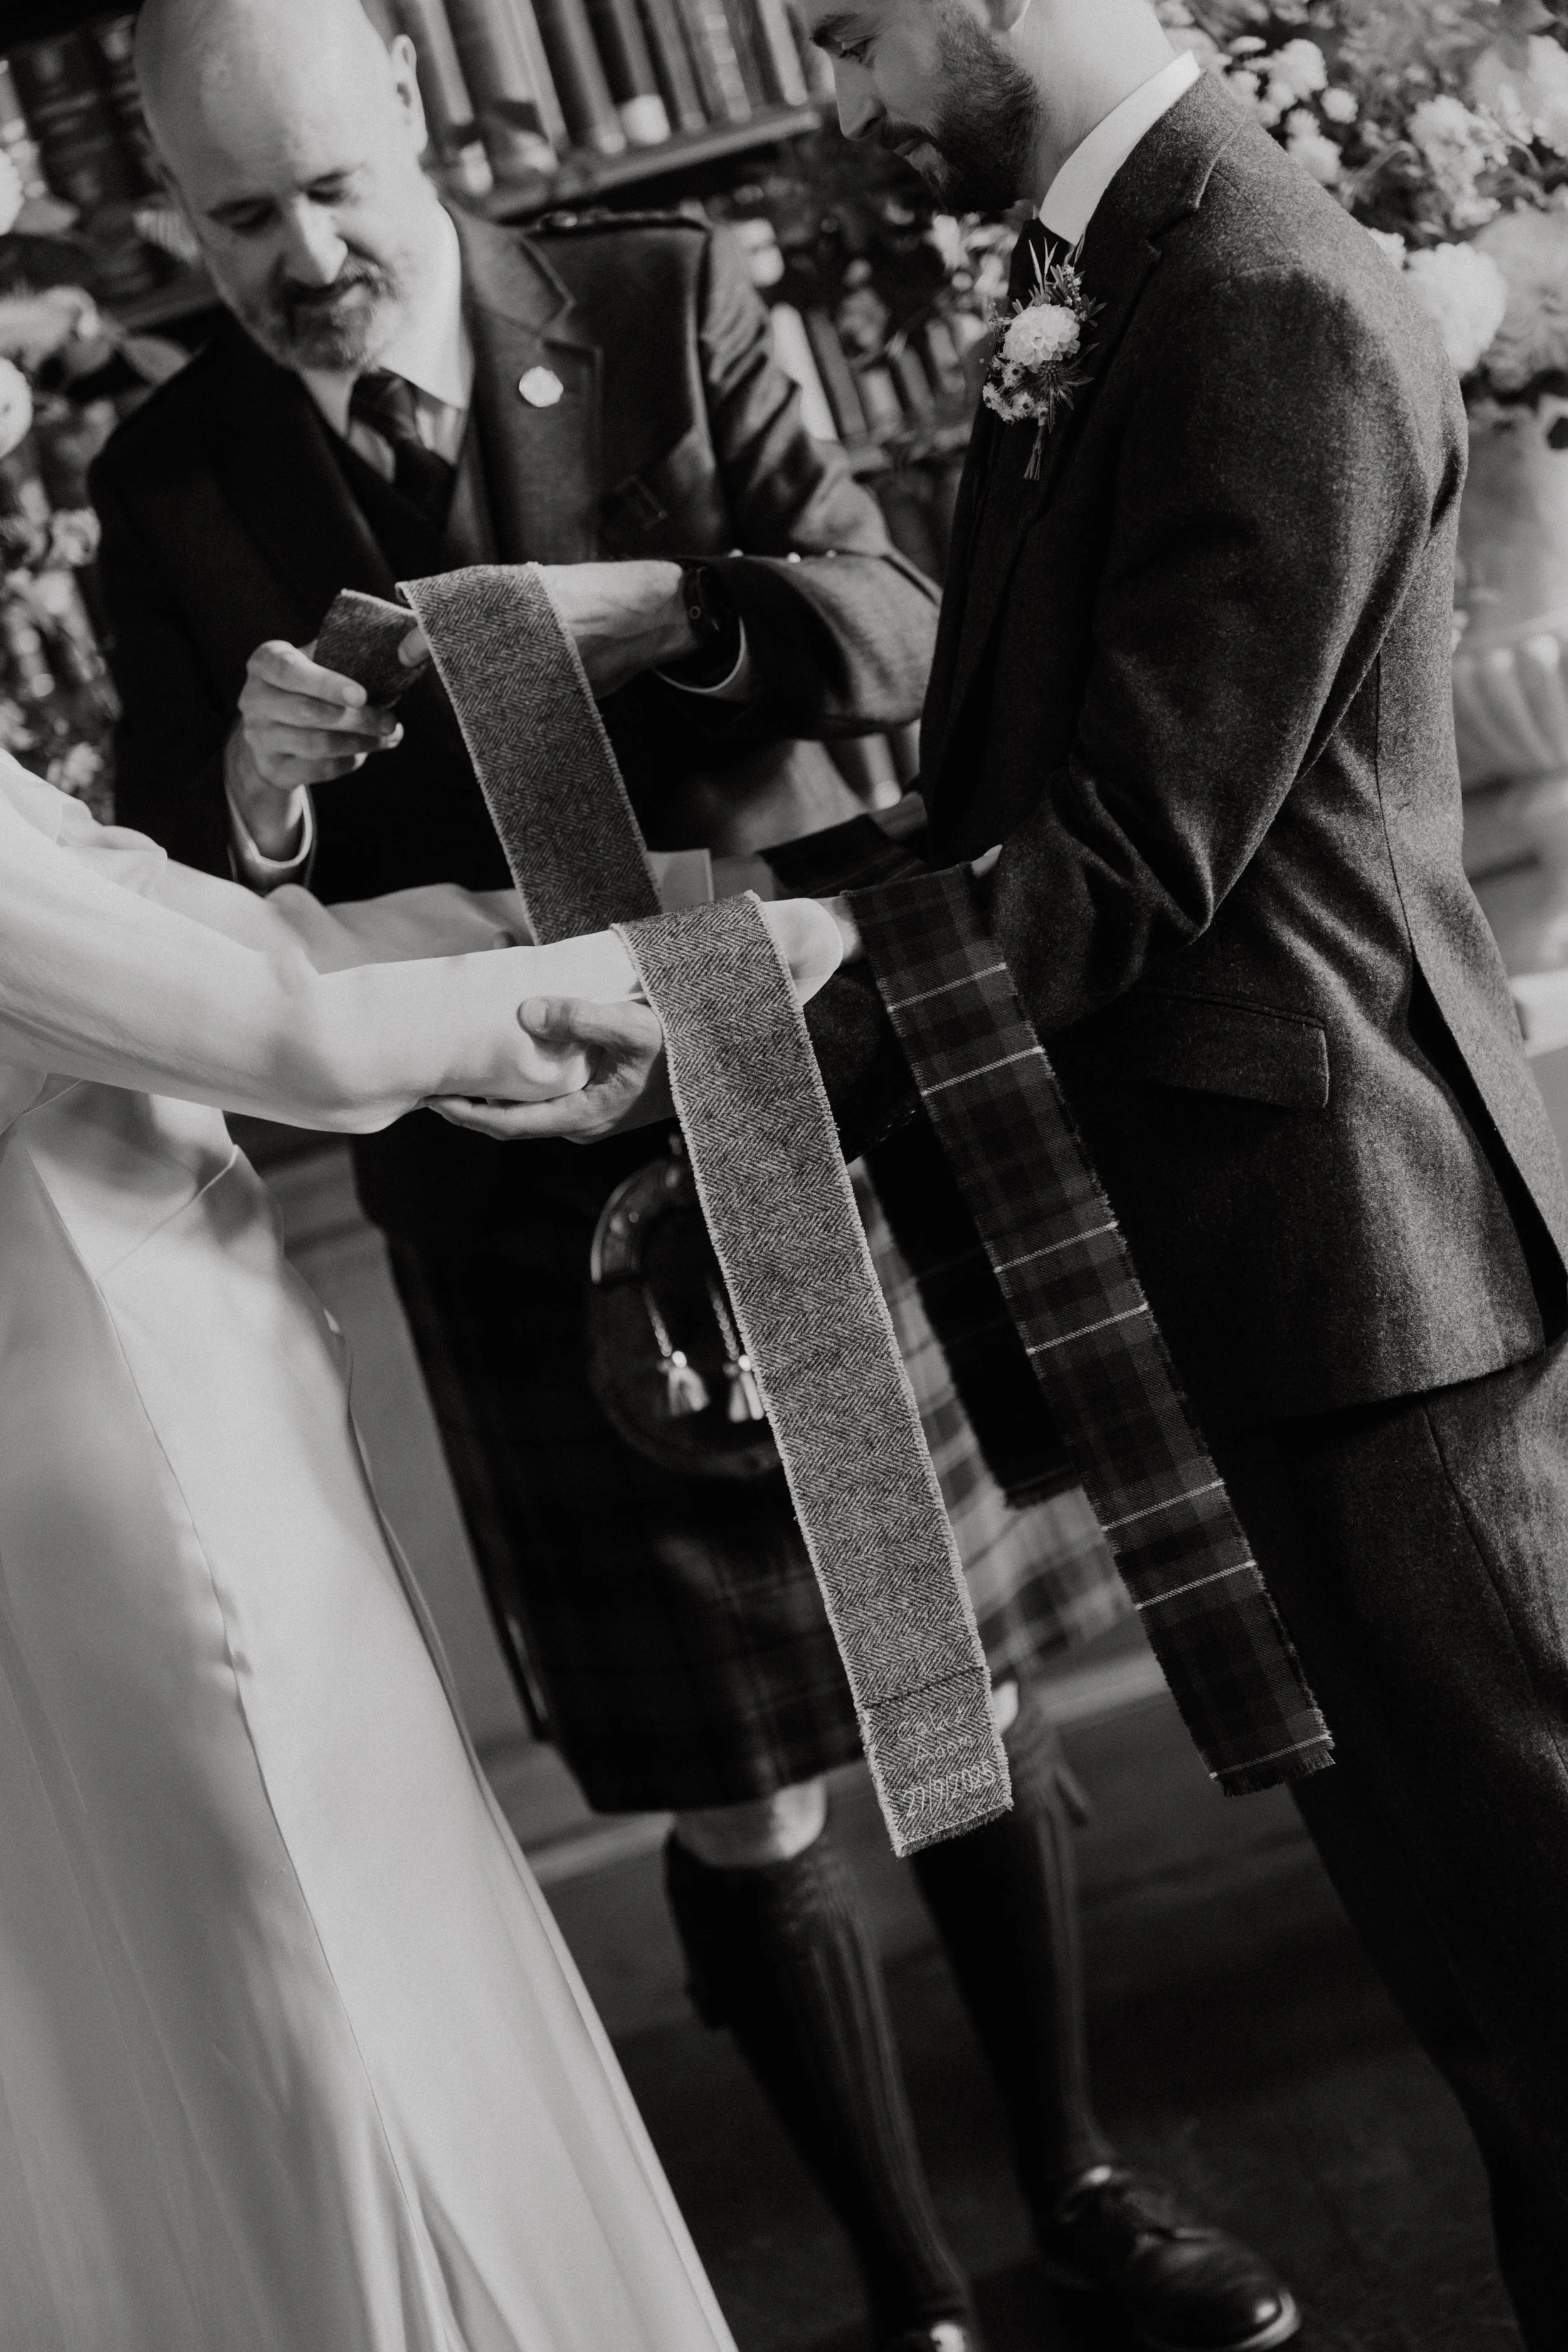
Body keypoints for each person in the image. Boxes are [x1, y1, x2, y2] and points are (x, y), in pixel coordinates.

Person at [93, 5, 1297, 2349]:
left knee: (952, 1692)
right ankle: (904, 2293)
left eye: (331, 187)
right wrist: (255, 787)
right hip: (507, 1197)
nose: (303, 255)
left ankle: (1078, 2184)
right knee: (739, 1789)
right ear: (169, 203)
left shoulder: (664, 301)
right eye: (239, 217)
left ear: (411, 106)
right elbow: (165, 873)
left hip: (782, 1086)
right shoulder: (167, 474)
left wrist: (679, 605)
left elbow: (910, 630)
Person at [497, 0, 1568, 2341]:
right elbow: (1007, 801)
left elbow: (1134, 848)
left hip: (1379, 1276)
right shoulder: (1122, 281)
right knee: (1488, 2015)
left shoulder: (1262, 293)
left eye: (860, 37)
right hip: (1273, 1277)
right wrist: (732, 972)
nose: (851, 103)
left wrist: (771, 1014)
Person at [0, 738, 850, 2349]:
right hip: (133, 1433)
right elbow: (292, 1034)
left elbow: (261, 943)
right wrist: (713, 966)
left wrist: (663, 908)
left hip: (179, 1396)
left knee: (342, 1955)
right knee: (332, 1972)